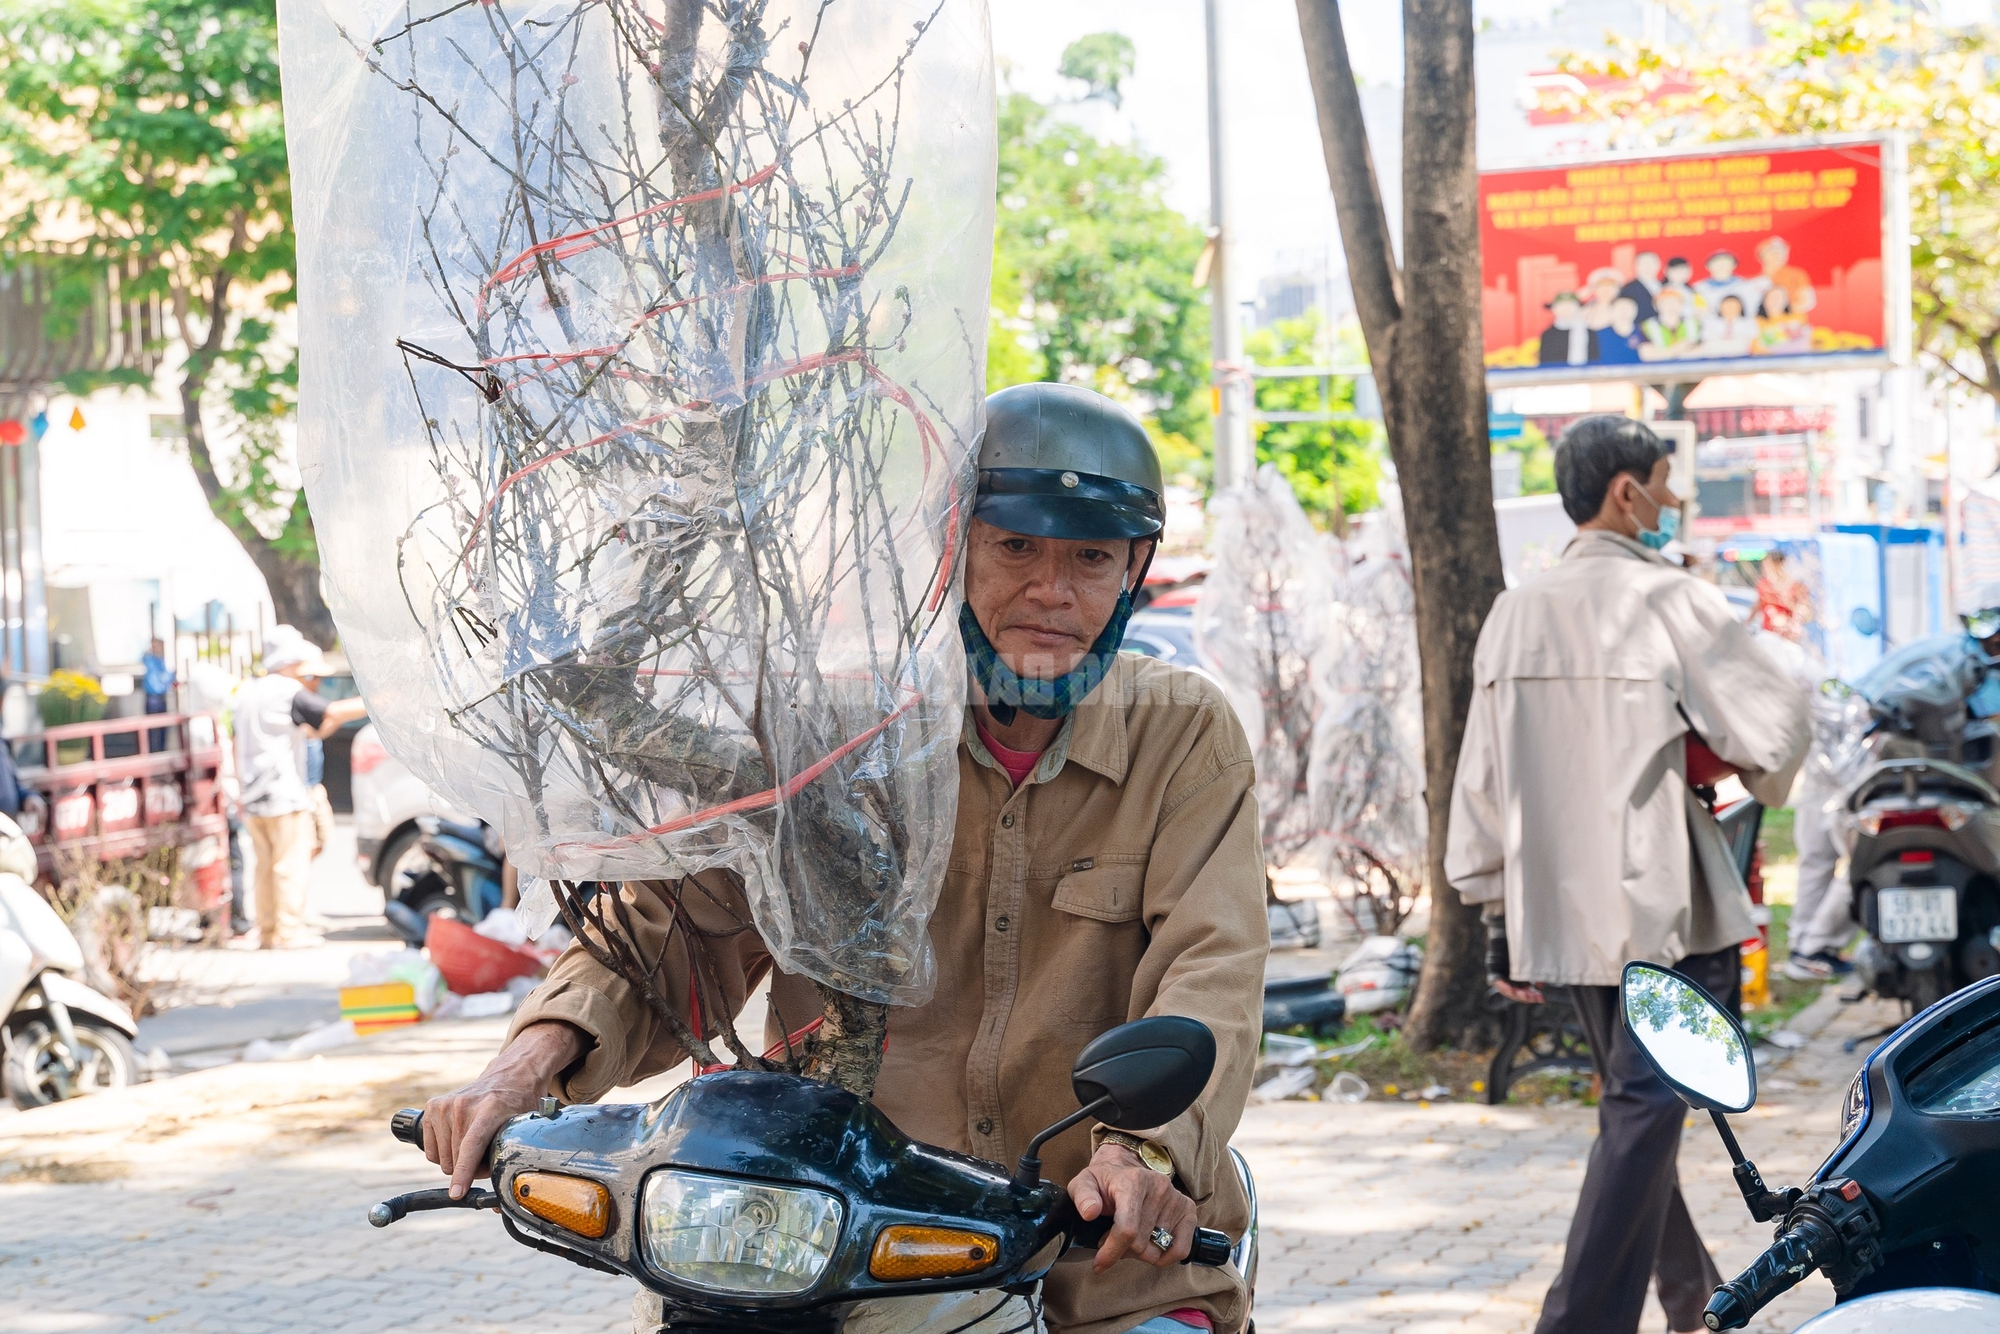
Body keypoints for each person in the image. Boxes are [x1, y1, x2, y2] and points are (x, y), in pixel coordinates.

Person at [420, 382, 1267, 1334]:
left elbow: (1214, 968)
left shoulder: (1186, 734)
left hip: (1104, 1257)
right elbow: (678, 927)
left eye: (1090, 557)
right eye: (1016, 545)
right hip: (845, 1247)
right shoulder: (840, 730)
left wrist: (1142, 1156)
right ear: (953, 546)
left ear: (1132, 572)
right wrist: (523, 1068)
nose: (1051, 589)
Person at [1445, 416, 1810, 1334]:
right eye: (1665, 480)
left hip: (1561, 916)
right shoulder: (1668, 601)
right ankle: (1578, 1324)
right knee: (1645, 1111)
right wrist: (1741, 765)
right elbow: (1775, 722)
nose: (1674, 500)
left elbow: (1479, 783)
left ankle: (1692, 1301)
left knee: (1635, 1114)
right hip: (1663, 909)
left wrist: (1495, 912)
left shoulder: (1513, 611)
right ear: (1626, 492)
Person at [1791, 585, 2000, 974]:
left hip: (1875, 762)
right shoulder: (1956, 659)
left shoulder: (1961, 658)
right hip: (1849, 758)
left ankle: (1809, 949)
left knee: (1829, 854)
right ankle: (1810, 950)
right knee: (1839, 851)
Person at [233, 628, 366, 949]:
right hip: (282, 793)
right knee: (289, 865)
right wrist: (374, 702)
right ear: (292, 660)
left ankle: (267, 931)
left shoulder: (249, 692)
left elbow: (311, 730)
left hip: (252, 793)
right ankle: (289, 931)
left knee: (264, 868)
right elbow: (329, 712)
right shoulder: (285, 690)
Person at [1639, 287, 1701, 360]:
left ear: (1681, 305)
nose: (1671, 306)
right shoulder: (1647, 326)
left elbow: (1707, 348)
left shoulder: (1693, 323)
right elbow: (1646, 355)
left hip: (1692, 368)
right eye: (1665, 303)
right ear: (1656, 306)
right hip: (1661, 369)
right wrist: (1676, 350)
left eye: (1674, 302)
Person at [1538, 292, 1598, 367]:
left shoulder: (1589, 332)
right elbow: (1545, 363)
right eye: (1561, 306)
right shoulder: (1548, 335)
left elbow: (1594, 362)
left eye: (1570, 306)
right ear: (1554, 309)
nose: (1566, 309)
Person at [1753, 286, 1812, 355]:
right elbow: (1755, 346)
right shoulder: (1756, 321)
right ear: (1764, 300)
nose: (1775, 300)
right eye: (1772, 297)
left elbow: (1806, 340)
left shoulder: (1797, 317)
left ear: (1786, 300)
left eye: (1779, 297)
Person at [141, 637, 175, 752]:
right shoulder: (149, 660)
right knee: (151, 729)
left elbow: (168, 677)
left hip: (162, 698)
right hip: (152, 698)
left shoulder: (164, 661)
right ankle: (152, 752)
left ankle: (161, 750)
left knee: (162, 728)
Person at [1618, 250, 1662, 326]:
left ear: (1658, 265)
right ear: (1636, 266)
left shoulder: (1665, 286)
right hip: (1642, 332)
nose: (1647, 267)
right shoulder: (1628, 289)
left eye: (1650, 263)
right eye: (1643, 264)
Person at [1596, 296, 1644, 364]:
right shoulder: (1599, 335)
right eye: (1620, 308)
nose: (1624, 312)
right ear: (1611, 311)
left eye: (1628, 308)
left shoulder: (1645, 332)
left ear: (1635, 311)